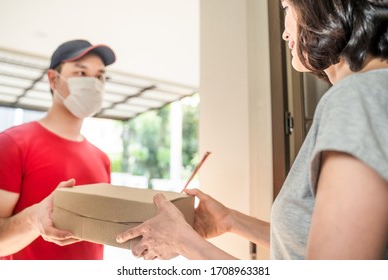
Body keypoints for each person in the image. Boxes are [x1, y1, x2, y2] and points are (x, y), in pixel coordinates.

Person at [116, 0, 388, 260]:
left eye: (287, 8)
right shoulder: (373, 93)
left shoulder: (358, 98)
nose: (284, 32)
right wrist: (231, 220)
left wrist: (183, 242)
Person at [0, 39, 116, 260]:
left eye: (99, 76)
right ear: (53, 79)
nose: (93, 83)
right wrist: (34, 219)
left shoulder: (101, 159)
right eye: (81, 73)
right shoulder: (10, 145)